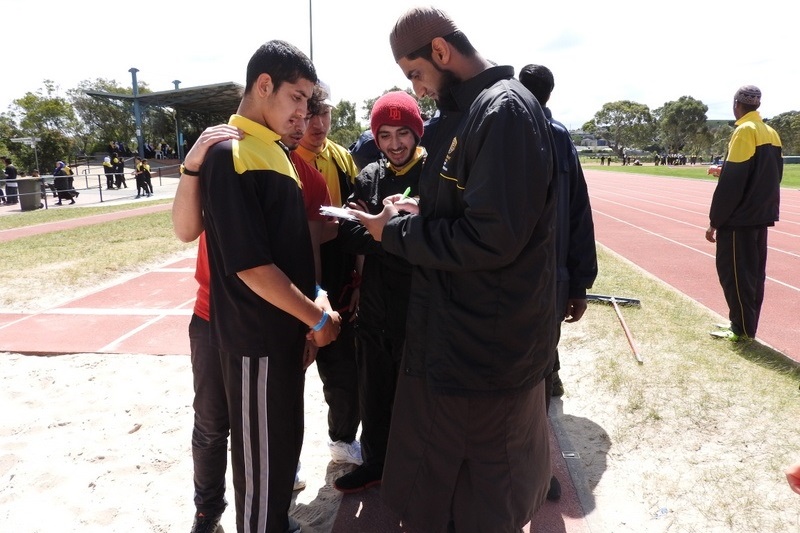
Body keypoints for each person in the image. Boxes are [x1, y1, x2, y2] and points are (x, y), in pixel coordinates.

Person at [350, 7, 557, 531]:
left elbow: (492, 237)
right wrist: (424, 212)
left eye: (415, 74)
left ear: (441, 52)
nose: (416, 90)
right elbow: (476, 211)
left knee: (483, 495)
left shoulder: (503, 110)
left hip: (483, 348)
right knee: (442, 488)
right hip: (456, 336)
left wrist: (392, 232)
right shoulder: (472, 112)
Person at [176, 40, 341, 533]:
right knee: (246, 452)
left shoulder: (274, 153)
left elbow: (290, 249)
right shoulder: (233, 151)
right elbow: (249, 264)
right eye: (297, 97)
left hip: (279, 332)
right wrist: (313, 316)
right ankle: (219, 516)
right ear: (264, 85)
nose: (304, 112)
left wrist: (317, 300)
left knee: (276, 451)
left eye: (309, 102)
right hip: (250, 336)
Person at [333, 91, 426, 494]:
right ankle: (375, 463)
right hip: (374, 310)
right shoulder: (370, 175)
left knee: (418, 397)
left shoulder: (435, 173)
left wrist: (382, 226)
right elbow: (348, 231)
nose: (394, 144)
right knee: (373, 393)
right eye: (384, 134)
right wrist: (388, 226)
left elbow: (439, 234)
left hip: (421, 309)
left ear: (416, 132)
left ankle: (418, 468)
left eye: (403, 132)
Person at [519, 64, 598, 502]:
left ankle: (530, 472)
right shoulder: (561, 137)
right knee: (540, 379)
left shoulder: (504, 131)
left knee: (523, 380)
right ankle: (536, 470)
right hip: (551, 283)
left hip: (515, 283)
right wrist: (579, 283)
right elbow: (580, 215)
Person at [295, 81, 363, 466]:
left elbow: (352, 222)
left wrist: (356, 277)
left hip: (334, 266)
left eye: (325, 113)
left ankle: (342, 438)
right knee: (291, 364)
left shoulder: (341, 157)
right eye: (311, 115)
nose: (319, 124)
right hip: (292, 267)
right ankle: (287, 457)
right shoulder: (286, 158)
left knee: (342, 364)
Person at [705, 85, 782, 342]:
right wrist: (725, 171)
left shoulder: (744, 131)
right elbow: (771, 176)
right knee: (753, 275)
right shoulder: (770, 132)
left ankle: (740, 328)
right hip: (760, 215)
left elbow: (733, 184)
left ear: (737, 104)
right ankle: (745, 324)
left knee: (734, 273)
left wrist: (715, 221)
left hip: (739, 220)